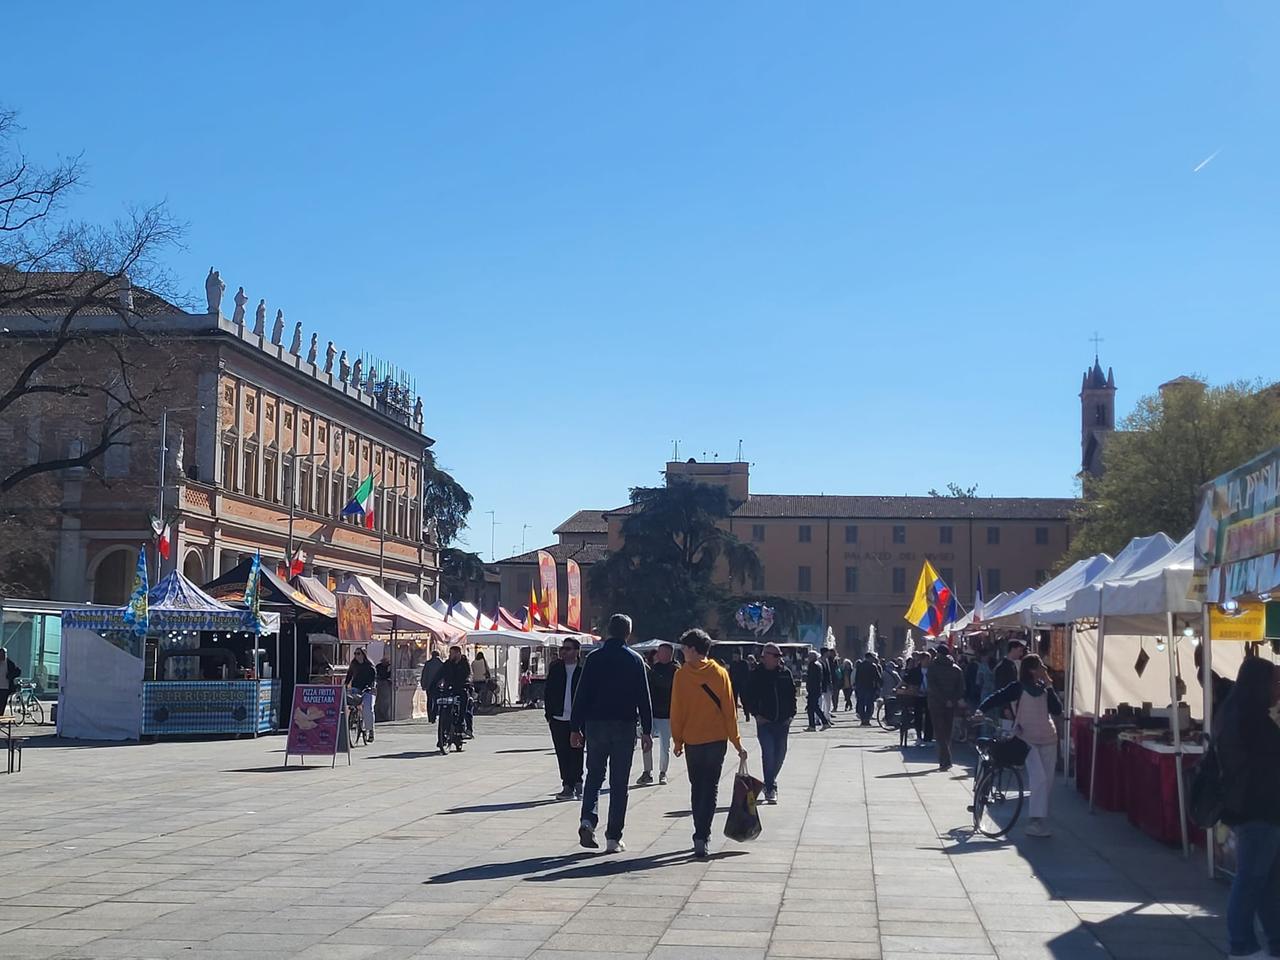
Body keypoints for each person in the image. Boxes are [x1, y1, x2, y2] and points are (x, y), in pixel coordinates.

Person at [1214, 656, 1280, 959]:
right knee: (1252, 880)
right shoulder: (1250, 719)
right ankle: (1241, 945)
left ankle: (1271, 940)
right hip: (1258, 809)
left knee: (1267, 882)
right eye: (1275, 682)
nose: (1278, 688)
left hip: (1260, 809)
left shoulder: (1238, 712)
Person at [570, 613, 653, 853]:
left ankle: (588, 820)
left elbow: (581, 694)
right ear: (628, 632)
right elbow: (643, 698)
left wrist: (575, 727)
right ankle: (613, 837)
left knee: (594, 776)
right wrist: (646, 730)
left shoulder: (594, 658)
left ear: (608, 630)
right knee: (619, 783)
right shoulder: (635, 660)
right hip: (624, 725)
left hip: (595, 725)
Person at [671, 628, 746, 858]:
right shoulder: (720, 673)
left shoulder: (681, 676)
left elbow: (677, 710)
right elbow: (729, 711)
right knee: (710, 787)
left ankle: (699, 833)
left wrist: (678, 740)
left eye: (685, 648)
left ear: (694, 650)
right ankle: (704, 835)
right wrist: (737, 742)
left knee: (698, 786)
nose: (683, 652)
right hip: (716, 740)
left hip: (693, 740)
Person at [979, 653, 1062, 838]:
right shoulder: (1018, 688)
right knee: (1039, 778)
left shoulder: (1044, 689)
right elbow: (997, 697)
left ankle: (1039, 820)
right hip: (1027, 739)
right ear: (1033, 669)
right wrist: (981, 709)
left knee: (1047, 781)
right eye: (1041, 666)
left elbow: (1057, 709)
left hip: (1049, 737)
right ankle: (1035, 820)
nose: (1045, 669)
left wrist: (1050, 686)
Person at [745, 641, 796, 803]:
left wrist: (791, 714)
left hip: (783, 721)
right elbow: (747, 695)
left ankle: (769, 781)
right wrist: (756, 714)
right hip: (765, 722)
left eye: (779, 655)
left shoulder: (785, 673)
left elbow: (791, 694)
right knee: (768, 753)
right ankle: (770, 786)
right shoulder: (756, 673)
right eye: (775, 655)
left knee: (780, 755)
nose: (779, 659)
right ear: (765, 657)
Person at [545, 638, 585, 800]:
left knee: (577, 751)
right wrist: (549, 715)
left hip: (578, 718)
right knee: (562, 752)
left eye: (568, 649)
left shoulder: (583, 668)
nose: (564, 651)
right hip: (558, 717)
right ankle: (567, 785)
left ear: (576, 651)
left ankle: (578, 782)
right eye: (563, 648)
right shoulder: (556, 668)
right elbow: (548, 692)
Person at [639, 642, 678, 785]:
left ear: (669, 654)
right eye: (658, 652)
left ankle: (663, 772)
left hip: (667, 713)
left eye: (662, 652)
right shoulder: (653, 670)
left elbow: (670, 688)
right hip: (651, 712)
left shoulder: (675, 671)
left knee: (664, 745)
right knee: (646, 742)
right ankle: (647, 771)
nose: (658, 654)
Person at [926, 646, 965, 771]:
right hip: (950, 705)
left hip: (936, 704)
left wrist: (944, 700)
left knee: (939, 732)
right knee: (947, 731)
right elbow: (961, 688)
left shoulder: (932, 668)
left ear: (938, 654)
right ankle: (945, 759)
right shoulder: (956, 669)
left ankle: (945, 759)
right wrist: (951, 700)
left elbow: (932, 687)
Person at [436, 645, 473, 751]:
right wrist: (434, 683)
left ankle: (461, 722)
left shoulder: (464, 663)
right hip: (450, 688)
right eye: (450, 653)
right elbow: (440, 674)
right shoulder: (448, 664)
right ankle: (442, 731)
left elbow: (469, 674)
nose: (450, 655)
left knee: (464, 699)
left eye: (452, 653)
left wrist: (467, 683)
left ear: (458, 653)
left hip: (462, 687)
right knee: (443, 702)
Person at [344, 648, 377, 742]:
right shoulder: (354, 665)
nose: (356, 656)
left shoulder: (370, 666)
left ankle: (370, 730)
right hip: (356, 688)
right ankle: (353, 718)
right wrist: (346, 684)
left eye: (358, 653)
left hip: (368, 690)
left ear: (363, 654)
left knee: (368, 709)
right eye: (355, 654)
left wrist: (370, 687)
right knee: (351, 701)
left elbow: (373, 679)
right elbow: (349, 675)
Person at [853, 652, 882, 726]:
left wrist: (856, 686)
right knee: (869, 704)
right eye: (872, 658)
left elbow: (857, 677)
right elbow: (877, 677)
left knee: (861, 703)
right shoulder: (873, 666)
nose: (873, 659)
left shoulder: (860, 665)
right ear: (869, 658)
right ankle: (867, 719)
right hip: (870, 687)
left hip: (861, 687)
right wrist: (880, 685)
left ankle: (863, 719)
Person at [804, 650, 828, 731]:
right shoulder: (819, 664)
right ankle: (817, 724)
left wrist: (809, 688)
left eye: (809, 656)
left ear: (813, 657)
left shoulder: (812, 665)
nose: (808, 658)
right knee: (813, 707)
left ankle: (817, 724)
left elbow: (811, 678)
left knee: (812, 707)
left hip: (813, 689)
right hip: (817, 689)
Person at [420, 649, 444, 722]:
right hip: (438, 685)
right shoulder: (441, 664)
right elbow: (444, 675)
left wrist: (423, 684)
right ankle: (434, 715)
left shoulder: (428, 663)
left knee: (429, 701)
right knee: (437, 701)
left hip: (429, 685)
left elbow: (424, 675)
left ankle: (430, 716)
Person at [728, 651, 751, 722]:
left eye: (736, 656)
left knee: (743, 699)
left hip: (742, 684)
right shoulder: (732, 664)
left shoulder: (744, 663)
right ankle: (735, 715)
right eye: (733, 656)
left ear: (739, 656)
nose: (734, 657)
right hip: (734, 684)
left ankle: (747, 714)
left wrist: (746, 682)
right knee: (733, 700)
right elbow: (730, 673)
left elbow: (747, 673)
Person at [374, 651, 393, 723]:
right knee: (381, 701)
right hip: (382, 683)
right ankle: (382, 716)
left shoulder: (380, 666)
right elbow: (385, 675)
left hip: (381, 683)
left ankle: (382, 716)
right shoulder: (383, 667)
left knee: (382, 701)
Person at [0, 648, 18, 716]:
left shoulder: (9, 663)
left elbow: (18, 671)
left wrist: (10, 676)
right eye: (1, 654)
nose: (2, 656)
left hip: (5, 687)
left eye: (4, 654)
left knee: (2, 704)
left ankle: (0, 717)